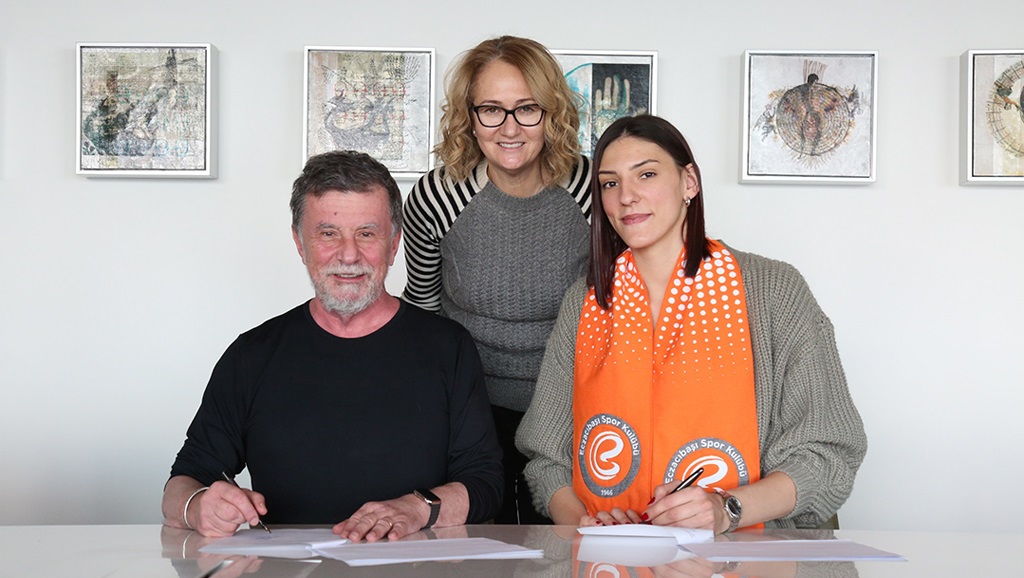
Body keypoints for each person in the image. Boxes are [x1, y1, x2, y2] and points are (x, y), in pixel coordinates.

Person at [517, 115, 866, 532]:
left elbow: (827, 452)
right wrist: (588, 527)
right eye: (610, 183)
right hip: (609, 557)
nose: (626, 196)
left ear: (689, 183)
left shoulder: (773, 291)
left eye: (646, 174)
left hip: (748, 553)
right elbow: (546, 460)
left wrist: (726, 509)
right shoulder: (585, 302)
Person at [162, 150, 503, 540]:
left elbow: (486, 484)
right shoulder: (251, 355)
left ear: (394, 245)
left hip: (412, 564)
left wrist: (418, 508)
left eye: (367, 234)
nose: (349, 255)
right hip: (287, 568)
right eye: (328, 234)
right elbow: (183, 482)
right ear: (300, 243)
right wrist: (197, 507)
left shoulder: (449, 348)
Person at [402, 35, 591, 524]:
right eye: (491, 110)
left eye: (527, 109)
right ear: (469, 116)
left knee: (563, 546)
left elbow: (622, 301)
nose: (509, 128)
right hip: (469, 408)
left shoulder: (591, 189)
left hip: (571, 405)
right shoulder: (436, 197)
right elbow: (421, 308)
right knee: (478, 547)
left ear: (552, 113)